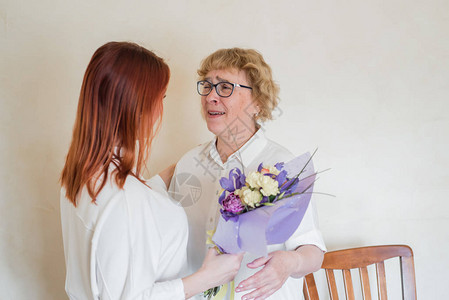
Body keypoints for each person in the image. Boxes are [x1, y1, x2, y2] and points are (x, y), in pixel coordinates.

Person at [59, 42, 243, 300]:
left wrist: (192, 162)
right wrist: (207, 278)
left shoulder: (80, 174)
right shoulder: (126, 198)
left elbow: (125, 220)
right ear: (137, 106)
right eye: (162, 98)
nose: (161, 110)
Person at [157, 48, 326, 300]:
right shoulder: (188, 163)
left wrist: (289, 262)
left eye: (225, 87)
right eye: (207, 86)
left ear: (258, 101)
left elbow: (313, 252)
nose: (211, 97)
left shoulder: (282, 165)